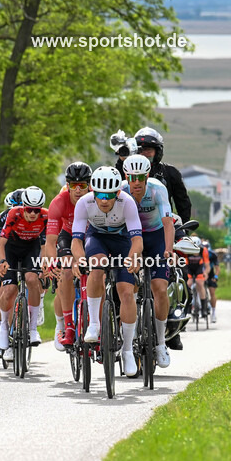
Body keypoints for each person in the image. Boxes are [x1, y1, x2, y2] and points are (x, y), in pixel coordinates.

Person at [71, 166, 143, 378]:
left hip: (122, 240)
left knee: (127, 292)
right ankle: (94, 324)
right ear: (93, 191)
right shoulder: (85, 203)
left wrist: (133, 256)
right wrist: (79, 258)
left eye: (109, 196)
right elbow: (76, 240)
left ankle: (128, 350)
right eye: (100, 195)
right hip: (97, 238)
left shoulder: (127, 202)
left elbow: (137, 240)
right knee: (97, 265)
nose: (104, 200)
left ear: (117, 193)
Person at [121, 154, 174, 368]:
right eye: (132, 177)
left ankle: (161, 343)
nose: (136, 182)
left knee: (159, 288)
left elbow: (168, 223)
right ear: (127, 176)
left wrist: (168, 250)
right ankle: (130, 337)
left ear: (147, 176)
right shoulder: (121, 190)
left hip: (154, 237)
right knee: (128, 287)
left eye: (140, 177)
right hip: (129, 237)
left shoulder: (158, 189)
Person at [0, 186, 50, 360]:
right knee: (9, 290)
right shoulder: (14, 214)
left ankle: (32, 329)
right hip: (11, 247)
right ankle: (4, 327)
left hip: (30, 249)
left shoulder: (45, 216)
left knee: (32, 279)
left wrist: (46, 265)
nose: (33, 214)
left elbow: (46, 246)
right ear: (23, 206)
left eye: (36, 210)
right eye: (29, 209)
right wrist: (2, 262)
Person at [45, 161, 92, 350]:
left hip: (90, 236)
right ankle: (66, 326)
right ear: (68, 185)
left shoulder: (97, 199)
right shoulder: (59, 202)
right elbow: (50, 241)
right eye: (74, 185)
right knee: (65, 271)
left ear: (90, 185)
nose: (78, 190)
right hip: (68, 235)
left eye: (83, 185)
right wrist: (50, 262)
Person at [0, 188, 24, 355]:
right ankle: (3, 336)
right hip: (7, 254)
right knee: (1, 292)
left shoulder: (33, 216)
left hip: (26, 251)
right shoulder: (1, 218)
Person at [203, 239, 219, 324]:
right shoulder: (199, 252)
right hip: (200, 273)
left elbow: (217, 268)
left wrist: (216, 276)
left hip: (210, 275)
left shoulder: (213, 255)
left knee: (212, 292)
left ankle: (213, 312)